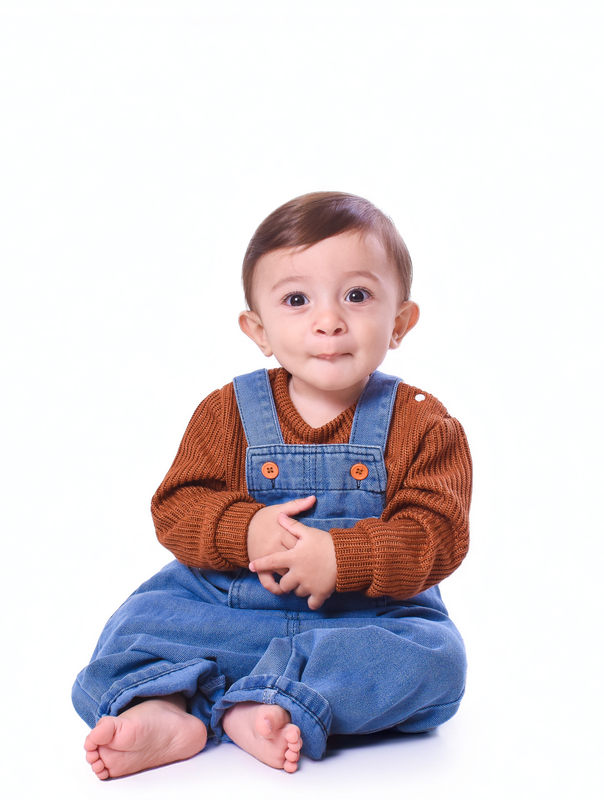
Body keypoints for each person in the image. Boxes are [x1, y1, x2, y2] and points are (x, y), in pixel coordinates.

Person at [72, 191, 473, 779]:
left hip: (363, 618)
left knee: (436, 662)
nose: (328, 320)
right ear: (258, 329)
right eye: (297, 300)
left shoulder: (423, 423)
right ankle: (165, 705)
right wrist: (246, 529)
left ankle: (264, 701)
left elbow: (438, 533)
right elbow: (177, 507)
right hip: (229, 606)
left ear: (400, 323)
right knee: (137, 625)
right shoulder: (228, 411)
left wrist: (344, 556)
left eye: (357, 295)